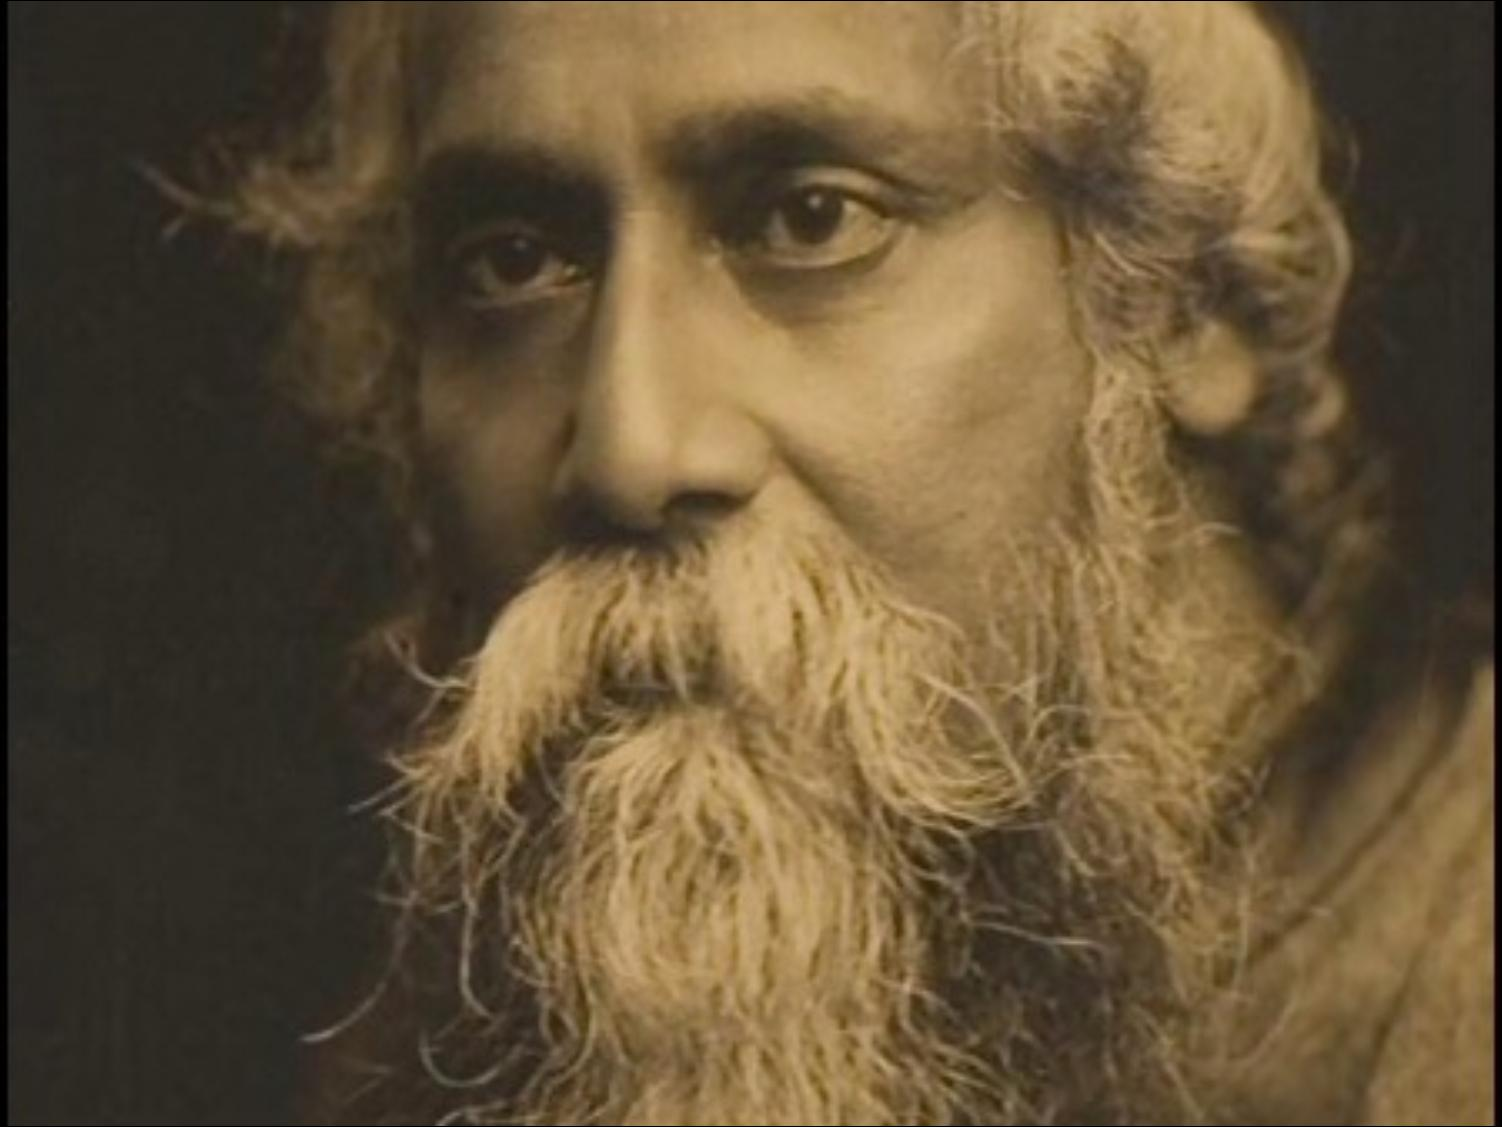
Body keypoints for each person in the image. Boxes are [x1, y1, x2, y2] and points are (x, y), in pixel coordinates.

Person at [199, 3, 1493, 1124]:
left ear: (1179, 292)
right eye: (515, 261)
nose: (629, 447)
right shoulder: (445, 1043)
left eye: (809, 218)